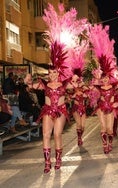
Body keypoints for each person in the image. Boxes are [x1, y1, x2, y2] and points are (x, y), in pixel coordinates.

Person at [33, 3, 88, 174]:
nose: (54, 75)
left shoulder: (65, 83)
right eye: (52, 73)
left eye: (56, 73)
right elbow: (32, 86)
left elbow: (77, 85)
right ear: (49, 73)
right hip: (48, 110)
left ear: (59, 73)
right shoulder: (43, 83)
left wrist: (77, 79)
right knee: (45, 135)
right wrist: (29, 82)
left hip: (61, 110)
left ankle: (58, 158)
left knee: (57, 135)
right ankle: (47, 162)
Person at [88, 23, 118, 154]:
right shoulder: (98, 85)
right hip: (101, 107)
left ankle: (110, 141)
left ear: (109, 77)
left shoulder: (114, 85)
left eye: (107, 77)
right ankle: (105, 144)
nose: (105, 79)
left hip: (111, 107)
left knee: (110, 129)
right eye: (103, 77)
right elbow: (92, 94)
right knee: (102, 127)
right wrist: (93, 84)